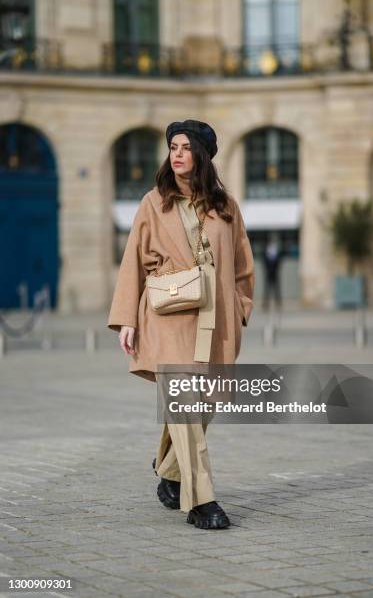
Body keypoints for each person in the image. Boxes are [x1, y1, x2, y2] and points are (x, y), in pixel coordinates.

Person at [107, 119, 255, 530]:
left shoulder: (225, 205)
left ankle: (170, 469)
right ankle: (201, 500)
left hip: (217, 320)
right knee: (187, 408)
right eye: (173, 146)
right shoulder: (153, 203)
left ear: (202, 156)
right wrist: (126, 321)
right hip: (168, 316)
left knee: (205, 405)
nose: (176, 154)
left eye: (186, 147)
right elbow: (131, 262)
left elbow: (243, 264)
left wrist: (240, 308)